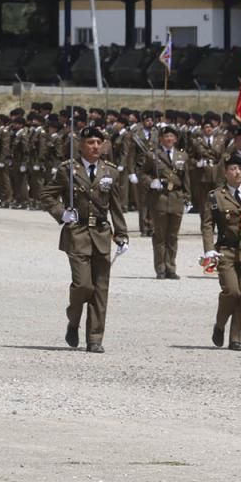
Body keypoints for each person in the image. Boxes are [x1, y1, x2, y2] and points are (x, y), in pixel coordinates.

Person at [41, 126, 129, 353]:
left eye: (99, 143)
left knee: (100, 289)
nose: (95, 147)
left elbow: (117, 207)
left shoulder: (110, 172)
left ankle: (95, 339)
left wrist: (122, 234)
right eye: (90, 142)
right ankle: (73, 319)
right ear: (81, 145)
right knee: (83, 285)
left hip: (101, 234)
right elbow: (47, 195)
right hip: (77, 233)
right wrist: (62, 213)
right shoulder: (68, 170)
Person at [200, 153, 241, 351]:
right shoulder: (216, 196)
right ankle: (220, 324)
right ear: (225, 172)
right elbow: (208, 225)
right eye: (232, 169)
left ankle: (235, 338)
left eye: (240, 169)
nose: (237, 172)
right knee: (232, 291)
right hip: (226, 250)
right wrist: (209, 250)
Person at [141, 124, 191, 280]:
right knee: (160, 236)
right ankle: (160, 268)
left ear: (175, 139)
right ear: (161, 139)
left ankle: (171, 267)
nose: (169, 139)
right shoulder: (153, 155)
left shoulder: (182, 156)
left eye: (172, 136)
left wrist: (188, 198)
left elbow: (186, 179)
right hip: (160, 198)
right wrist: (151, 182)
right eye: (166, 136)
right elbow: (142, 173)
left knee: (173, 236)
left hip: (176, 198)